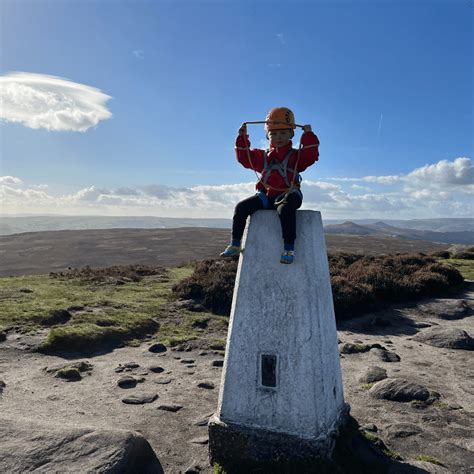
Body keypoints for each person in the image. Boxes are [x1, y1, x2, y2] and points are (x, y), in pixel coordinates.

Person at [220, 107, 320, 264]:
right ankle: (235, 244)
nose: (278, 137)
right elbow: (244, 158)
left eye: (283, 133)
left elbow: (310, 156)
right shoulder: (262, 157)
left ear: (291, 134)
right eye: (273, 133)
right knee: (241, 207)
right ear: (268, 135)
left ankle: (289, 248)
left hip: (289, 194)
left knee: (285, 209)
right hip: (266, 196)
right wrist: (242, 137)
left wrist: (308, 136)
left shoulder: (295, 156)